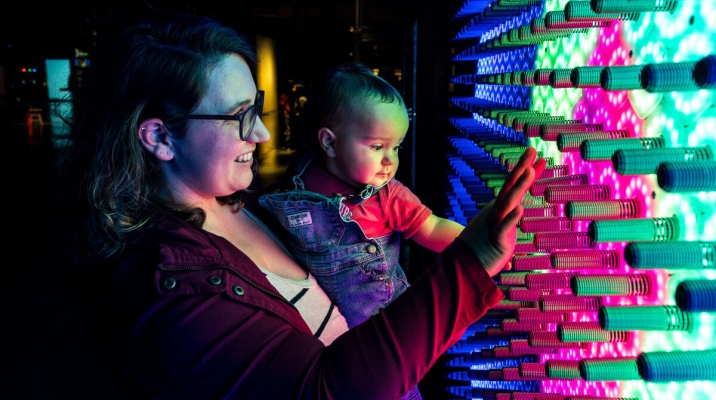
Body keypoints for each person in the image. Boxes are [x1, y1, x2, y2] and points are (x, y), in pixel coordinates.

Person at [60, 9, 545, 400]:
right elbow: (327, 389)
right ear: (160, 137)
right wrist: (472, 261)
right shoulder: (163, 291)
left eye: (258, 107)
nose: (263, 133)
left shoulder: (240, 204)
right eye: (238, 116)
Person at [259, 62, 465, 331]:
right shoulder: (299, 182)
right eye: (377, 146)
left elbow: (432, 227)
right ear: (330, 142)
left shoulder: (387, 195)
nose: (390, 160)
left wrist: (476, 244)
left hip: (384, 326)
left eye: (397, 147)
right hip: (317, 329)